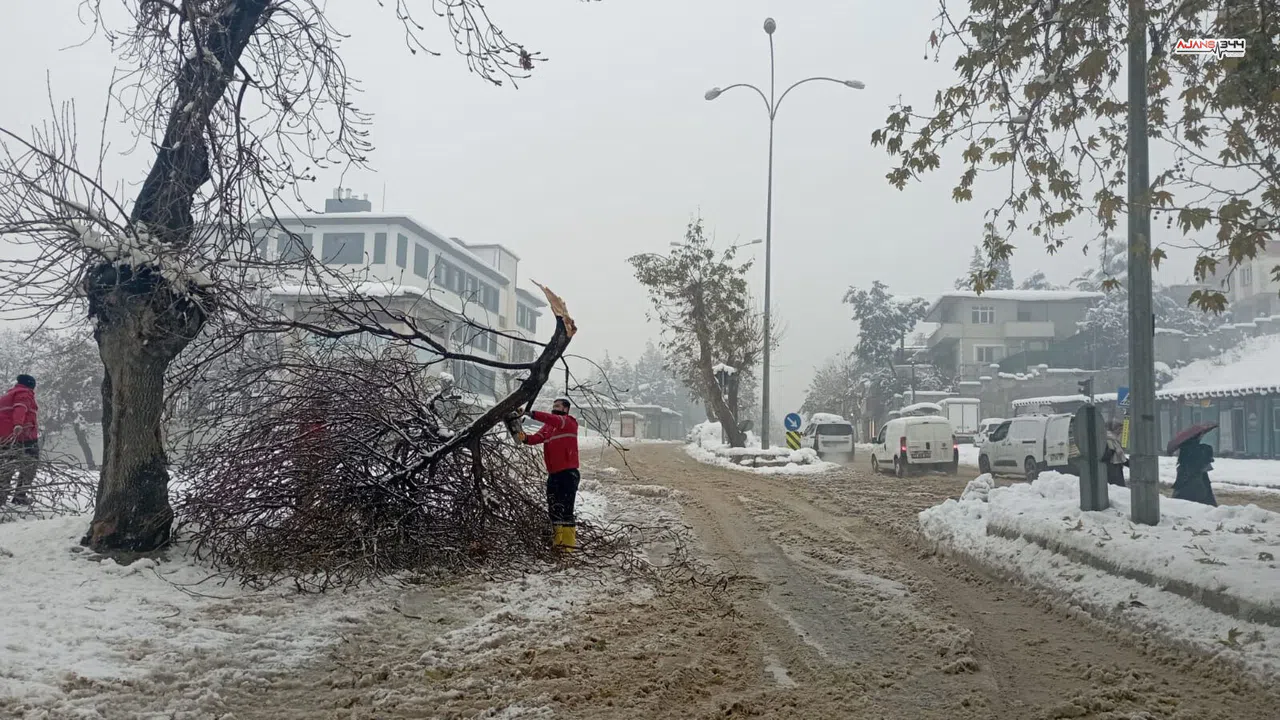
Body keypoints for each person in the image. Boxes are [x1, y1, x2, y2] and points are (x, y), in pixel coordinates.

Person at [520, 397, 580, 552]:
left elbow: (553, 419)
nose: (554, 408)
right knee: (554, 509)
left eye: (557, 406)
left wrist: (531, 413)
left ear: (566, 409)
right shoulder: (548, 427)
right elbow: (535, 438)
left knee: (567, 510)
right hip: (553, 474)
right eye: (553, 405)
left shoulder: (568, 422)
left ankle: (568, 548)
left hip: (568, 473)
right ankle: (557, 544)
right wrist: (522, 437)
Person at [0, 374, 39, 506]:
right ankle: (20, 496)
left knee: (6, 468)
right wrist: (18, 425)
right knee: (30, 465)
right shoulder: (24, 393)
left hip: (5, 439)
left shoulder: (8, 395)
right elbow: (20, 408)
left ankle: (2, 497)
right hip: (24, 436)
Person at [1172, 440, 1217, 506]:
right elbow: (1204, 495)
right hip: (1192, 503)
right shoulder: (1194, 471)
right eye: (1208, 462)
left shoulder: (1185, 462)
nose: (1209, 465)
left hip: (1183, 501)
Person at [1101, 420, 1128, 487]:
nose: (1120, 432)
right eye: (1119, 429)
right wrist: (1111, 451)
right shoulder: (1106, 440)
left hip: (1117, 470)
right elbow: (1103, 457)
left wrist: (1132, 464)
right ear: (1113, 429)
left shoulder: (1115, 441)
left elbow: (1120, 457)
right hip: (1111, 471)